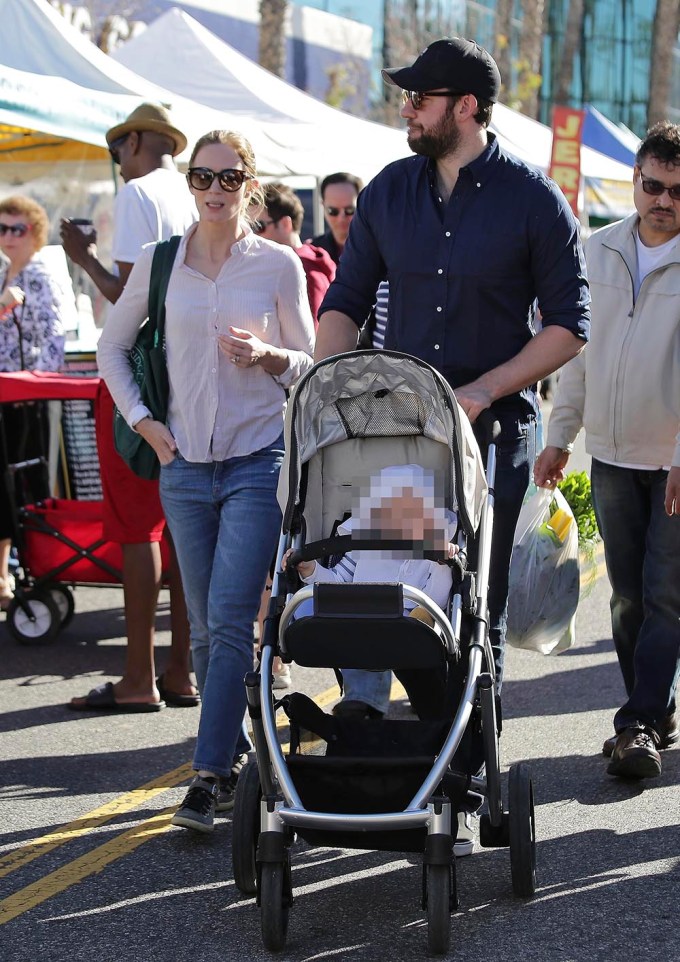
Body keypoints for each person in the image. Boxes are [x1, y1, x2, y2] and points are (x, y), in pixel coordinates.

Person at [315, 37, 590, 721]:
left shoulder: (534, 199)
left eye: (419, 99)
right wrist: (324, 387)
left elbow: (569, 323)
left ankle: (466, 769)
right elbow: (346, 303)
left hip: (493, 432)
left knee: (473, 604)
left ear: (466, 107)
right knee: (375, 579)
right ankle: (366, 729)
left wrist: (484, 388)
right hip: (396, 427)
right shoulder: (386, 192)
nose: (405, 110)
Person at [97, 129, 315, 832]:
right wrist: (143, 420)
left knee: (227, 621)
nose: (215, 191)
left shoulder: (277, 265)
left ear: (250, 184)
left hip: (258, 461)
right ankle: (242, 754)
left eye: (229, 179)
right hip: (182, 466)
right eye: (202, 178)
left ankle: (207, 776)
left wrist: (269, 355)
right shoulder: (163, 264)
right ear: (189, 183)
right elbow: (112, 344)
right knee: (203, 632)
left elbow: (312, 368)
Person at [534, 121, 680, 780]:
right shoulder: (597, 250)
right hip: (612, 455)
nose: (664, 201)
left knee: (666, 595)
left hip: (674, 460)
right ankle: (650, 706)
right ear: (636, 180)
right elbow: (577, 356)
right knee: (625, 598)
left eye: (678, 191)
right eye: (654, 186)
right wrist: (559, 436)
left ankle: (640, 723)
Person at [62, 104, 198, 712]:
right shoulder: (199, 196)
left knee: (138, 527)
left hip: (138, 383)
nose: (118, 161)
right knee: (183, 527)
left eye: (119, 149)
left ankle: (138, 679)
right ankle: (179, 672)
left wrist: (82, 257)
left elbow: (128, 300)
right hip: (191, 379)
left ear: (137, 141)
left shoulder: (137, 194)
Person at [0, 196, 69, 607]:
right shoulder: (6, 272)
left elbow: (55, 337)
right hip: (7, 392)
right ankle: (10, 573)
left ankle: (26, 569)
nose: (8, 237)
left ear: (34, 233)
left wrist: (41, 386)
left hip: (25, 397)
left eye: (16, 229)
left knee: (20, 489)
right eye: (2, 229)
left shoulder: (40, 275)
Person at [255, 182, 335, 326]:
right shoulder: (312, 257)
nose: (252, 235)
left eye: (258, 226)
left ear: (286, 224)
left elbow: (313, 336)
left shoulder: (304, 268)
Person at [310, 172, 363, 265]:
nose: (341, 218)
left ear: (362, 205)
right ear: (323, 207)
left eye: (349, 210)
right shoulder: (313, 252)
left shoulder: (381, 249)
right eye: (333, 211)